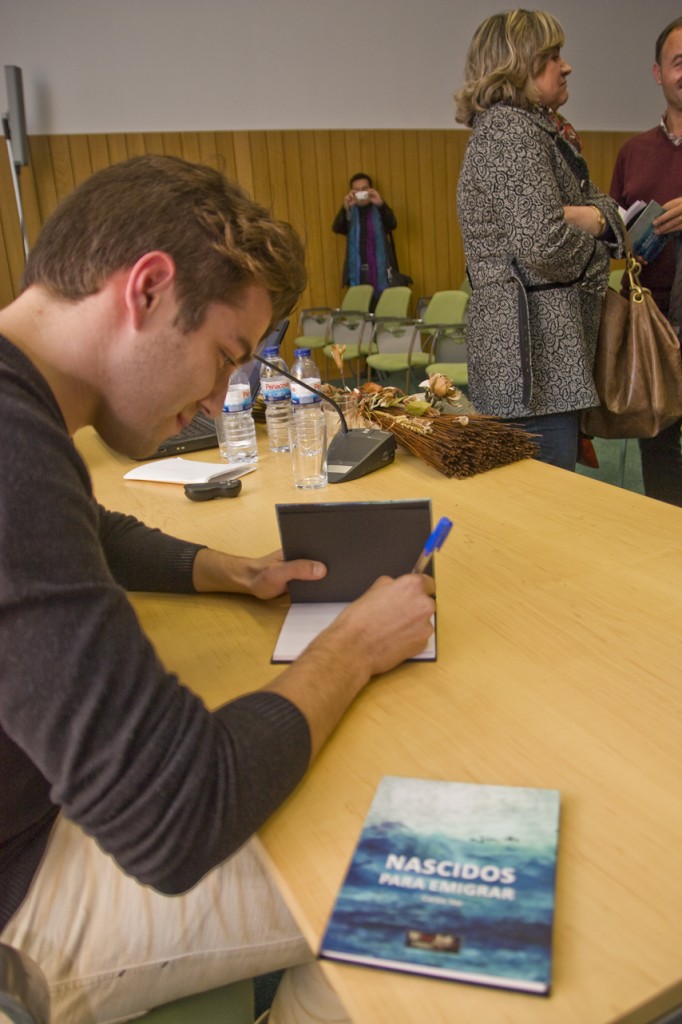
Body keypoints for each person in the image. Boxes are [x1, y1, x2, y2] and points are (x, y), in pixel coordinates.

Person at [0, 154, 436, 1023]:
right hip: (24, 895)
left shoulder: (25, 410)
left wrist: (225, 570)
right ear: (147, 290)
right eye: (227, 356)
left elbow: (83, 527)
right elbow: (174, 814)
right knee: (434, 894)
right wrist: (352, 645)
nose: (216, 401)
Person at [454, 9, 624, 471]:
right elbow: (544, 242)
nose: (565, 66)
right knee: (543, 502)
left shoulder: (534, 130)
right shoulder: (510, 132)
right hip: (532, 364)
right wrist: (598, 243)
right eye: (551, 56)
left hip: (541, 355)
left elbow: (602, 205)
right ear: (517, 65)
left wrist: (591, 217)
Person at [609, 16, 682, 507]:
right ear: (658, 73)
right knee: (657, 448)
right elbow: (612, 235)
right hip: (651, 325)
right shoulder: (632, 152)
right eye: (679, 62)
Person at [331, 172, 406, 303]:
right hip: (357, 275)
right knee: (359, 313)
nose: (361, 193)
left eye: (364, 189)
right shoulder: (350, 212)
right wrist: (345, 208)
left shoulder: (379, 209)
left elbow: (392, 224)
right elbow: (337, 228)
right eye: (356, 190)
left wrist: (380, 204)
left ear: (371, 189)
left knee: (383, 313)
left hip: (382, 276)